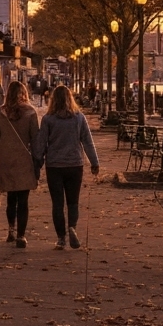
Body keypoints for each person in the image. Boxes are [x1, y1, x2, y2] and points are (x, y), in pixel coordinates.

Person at [33, 85, 100, 250]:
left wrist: (37, 162)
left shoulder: (48, 119)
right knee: (73, 202)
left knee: (57, 203)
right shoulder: (79, 118)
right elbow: (87, 141)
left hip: (54, 166)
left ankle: (61, 238)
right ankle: (72, 227)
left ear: (53, 100)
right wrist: (94, 162)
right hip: (75, 165)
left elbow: (41, 144)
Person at [0, 80, 39, 248]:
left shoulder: (0, 113)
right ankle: (21, 236)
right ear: (24, 93)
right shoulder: (31, 113)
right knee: (23, 200)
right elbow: (35, 138)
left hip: (6, 159)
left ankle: (11, 230)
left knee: (11, 198)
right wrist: (39, 159)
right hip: (24, 159)